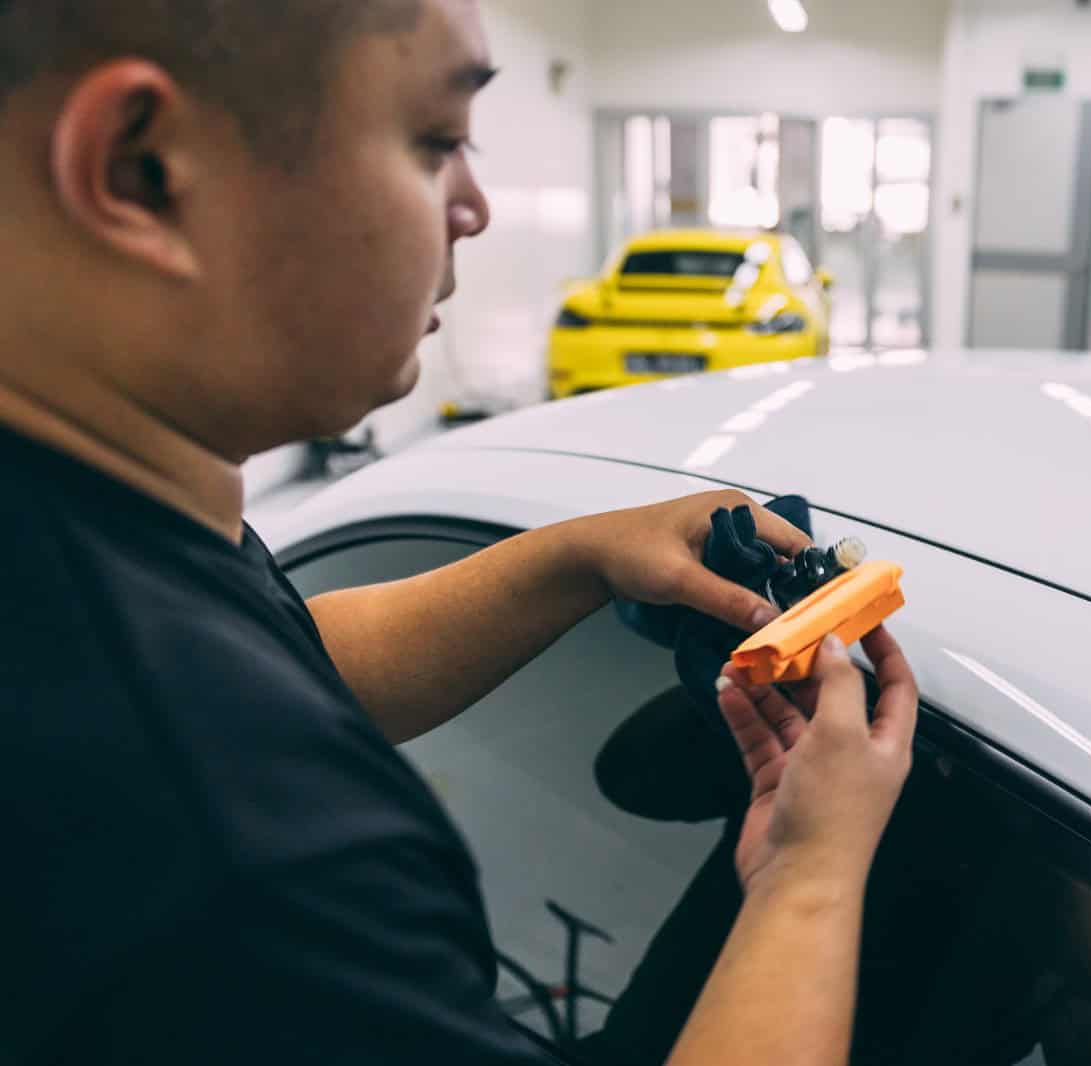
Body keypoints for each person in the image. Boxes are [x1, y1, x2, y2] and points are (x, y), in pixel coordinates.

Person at [0, 1, 918, 1063]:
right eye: (437, 141)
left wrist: (575, 555)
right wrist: (811, 879)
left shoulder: (86, 546)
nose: (476, 206)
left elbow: (284, 662)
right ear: (141, 167)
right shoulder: (248, 875)